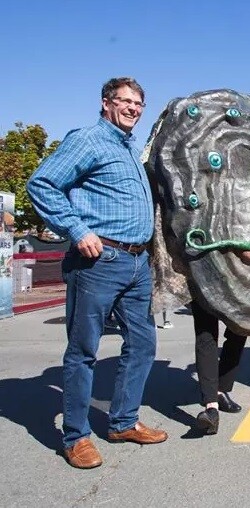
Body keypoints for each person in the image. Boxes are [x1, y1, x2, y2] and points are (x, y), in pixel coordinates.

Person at [27, 77, 167, 469]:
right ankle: (76, 436)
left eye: (139, 103)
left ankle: (123, 422)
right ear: (106, 103)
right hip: (98, 261)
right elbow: (42, 183)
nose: (133, 108)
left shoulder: (129, 148)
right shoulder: (88, 139)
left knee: (142, 345)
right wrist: (77, 230)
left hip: (137, 264)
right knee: (83, 351)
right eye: (125, 101)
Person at [191, 300, 247, 434]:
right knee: (205, 334)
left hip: (239, 282)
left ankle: (221, 389)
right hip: (202, 281)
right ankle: (211, 406)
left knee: (240, 329)